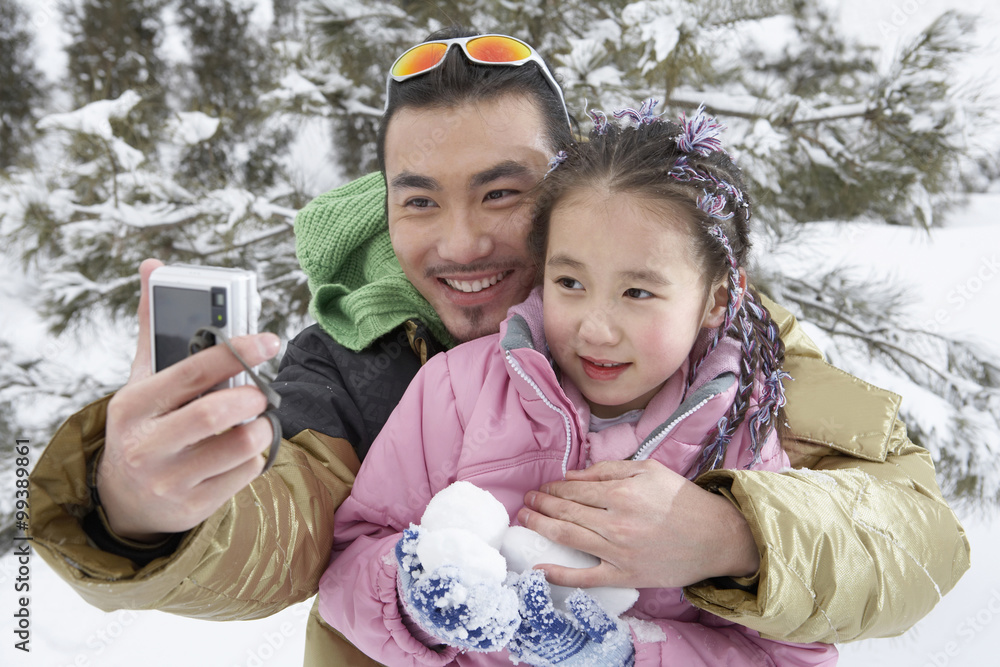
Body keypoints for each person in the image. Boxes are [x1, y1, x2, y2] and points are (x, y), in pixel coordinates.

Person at [27, 26, 969, 665]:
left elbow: (920, 534)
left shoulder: (720, 335)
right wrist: (139, 512)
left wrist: (734, 534)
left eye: (502, 191)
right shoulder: (357, 360)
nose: (462, 242)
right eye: (420, 199)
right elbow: (295, 530)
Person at [320, 103, 840, 666]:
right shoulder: (455, 391)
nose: (595, 328)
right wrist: (412, 595)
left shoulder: (741, 434)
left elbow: (787, 653)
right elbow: (350, 558)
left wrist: (627, 656)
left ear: (716, 298)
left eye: (637, 293)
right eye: (570, 282)